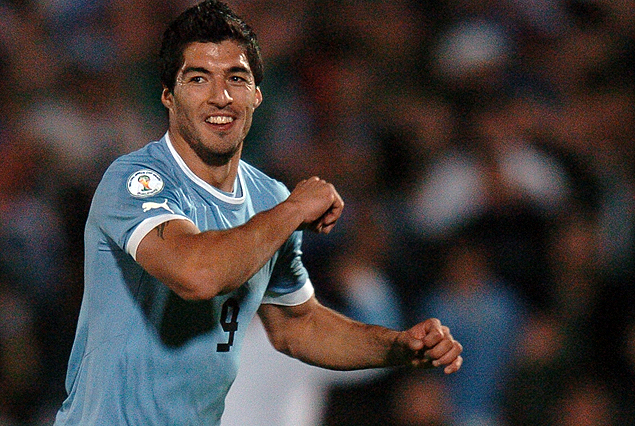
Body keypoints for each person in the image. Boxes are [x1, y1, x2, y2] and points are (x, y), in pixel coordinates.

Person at [53, 1, 463, 424]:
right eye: (198, 78)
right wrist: (293, 210)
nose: (221, 96)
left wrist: (398, 346)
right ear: (168, 96)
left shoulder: (268, 197)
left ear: (258, 94)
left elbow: (297, 327)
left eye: (236, 78)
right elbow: (197, 275)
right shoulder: (135, 180)